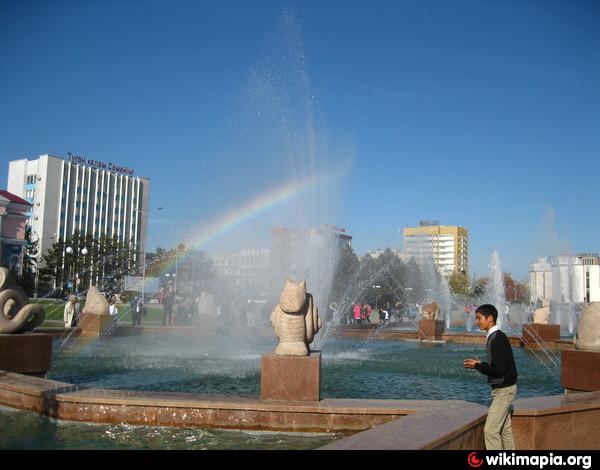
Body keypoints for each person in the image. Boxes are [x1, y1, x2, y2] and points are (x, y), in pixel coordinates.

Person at [463, 304, 518, 450]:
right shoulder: (496, 336)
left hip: (503, 391)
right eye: (476, 318)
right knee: (505, 430)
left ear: (490, 318)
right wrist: (480, 364)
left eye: (479, 318)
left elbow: (498, 370)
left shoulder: (497, 338)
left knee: (490, 430)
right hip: (504, 388)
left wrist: (477, 366)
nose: (477, 321)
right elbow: (500, 366)